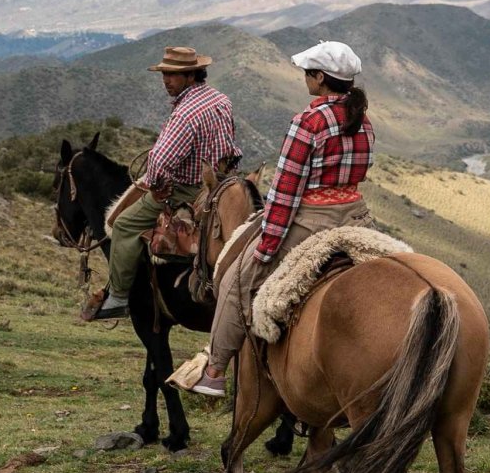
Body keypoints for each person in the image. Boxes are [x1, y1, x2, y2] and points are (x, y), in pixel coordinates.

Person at [188, 40, 375, 396]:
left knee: (236, 280)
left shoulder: (307, 121)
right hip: (356, 217)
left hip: (313, 219)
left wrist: (267, 245)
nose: (306, 80)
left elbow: (287, 190)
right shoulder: (362, 121)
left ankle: (214, 370)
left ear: (320, 78)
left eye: (308, 74)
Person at [87, 46, 240, 321]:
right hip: (224, 182)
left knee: (122, 225)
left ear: (191, 75)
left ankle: (119, 296)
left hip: (187, 187)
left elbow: (160, 160)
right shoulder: (221, 99)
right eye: (165, 74)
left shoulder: (185, 114)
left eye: (173, 74)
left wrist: (156, 186)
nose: (166, 80)